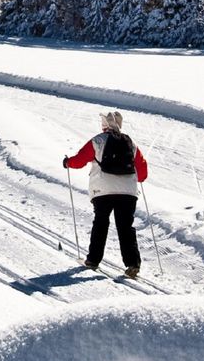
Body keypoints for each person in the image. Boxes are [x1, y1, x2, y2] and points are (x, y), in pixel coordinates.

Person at [62, 110, 148, 278]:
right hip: (128, 193)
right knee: (125, 227)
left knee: (101, 223)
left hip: (102, 190)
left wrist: (67, 162)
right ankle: (133, 264)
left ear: (104, 125)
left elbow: (79, 160)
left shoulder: (98, 141)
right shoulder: (131, 143)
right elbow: (143, 173)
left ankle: (93, 260)